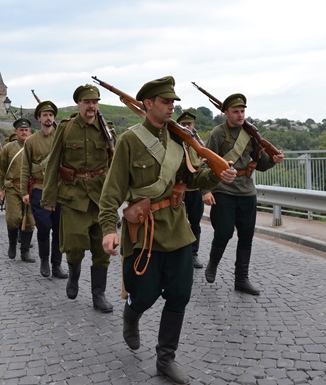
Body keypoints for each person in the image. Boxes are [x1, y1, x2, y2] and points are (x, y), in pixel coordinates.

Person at [99, 76, 237, 385]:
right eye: (165, 101)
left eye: (173, 101)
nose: (172, 106)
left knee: (179, 295)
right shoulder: (130, 140)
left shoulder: (180, 140)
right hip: (143, 234)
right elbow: (112, 191)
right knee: (144, 295)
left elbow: (193, 180)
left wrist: (217, 174)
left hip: (177, 230)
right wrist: (109, 228)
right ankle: (131, 315)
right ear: (147, 104)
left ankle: (166, 358)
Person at [202, 93, 284, 295]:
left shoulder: (252, 135)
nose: (240, 115)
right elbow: (203, 161)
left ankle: (241, 279)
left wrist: (274, 159)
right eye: (236, 111)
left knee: (246, 236)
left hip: (247, 192)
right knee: (224, 232)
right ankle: (213, 263)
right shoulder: (217, 134)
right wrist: (205, 190)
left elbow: (262, 164)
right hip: (223, 190)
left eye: (242, 111)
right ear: (226, 113)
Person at [41, 84, 113, 313]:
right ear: (78, 104)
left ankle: (98, 294)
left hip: (100, 197)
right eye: (87, 102)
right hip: (74, 196)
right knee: (73, 245)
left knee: (103, 249)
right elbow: (53, 163)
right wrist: (48, 198)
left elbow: (117, 165)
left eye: (95, 101)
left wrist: (121, 197)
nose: (91, 106)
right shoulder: (66, 128)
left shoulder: (107, 129)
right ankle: (73, 276)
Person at [21, 100, 67, 279]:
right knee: (44, 227)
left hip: (60, 189)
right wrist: (24, 191)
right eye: (45, 115)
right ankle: (44, 261)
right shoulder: (31, 141)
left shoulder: (61, 138)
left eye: (51, 115)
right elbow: (25, 167)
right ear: (39, 118)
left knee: (58, 228)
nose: (48, 118)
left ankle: (57, 265)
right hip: (39, 189)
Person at [0, 118, 35, 262]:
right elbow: (0, 171)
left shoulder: (34, 146)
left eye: (26, 130)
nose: (24, 132)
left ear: (30, 131)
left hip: (31, 187)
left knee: (30, 220)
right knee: (13, 218)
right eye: (21, 130)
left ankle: (25, 251)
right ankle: (12, 243)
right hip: (13, 186)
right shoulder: (8, 149)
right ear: (15, 131)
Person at [176, 111, 204, 269]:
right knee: (179, 223)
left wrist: (206, 190)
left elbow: (203, 162)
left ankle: (193, 254)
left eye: (190, 124)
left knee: (195, 223)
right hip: (179, 187)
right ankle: (180, 254)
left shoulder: (198, 142)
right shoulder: (176, 141)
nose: (187, 126)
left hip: (195, 189)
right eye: (184, 124)